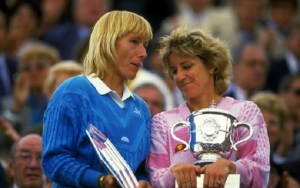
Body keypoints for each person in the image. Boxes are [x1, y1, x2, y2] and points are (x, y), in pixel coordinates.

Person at [146, 27, 270, 188]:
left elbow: (261, 171)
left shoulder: (246, 112)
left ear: (212, 65)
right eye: (174, 70)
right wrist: (173, 173)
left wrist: (232, 167)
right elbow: (154, 177)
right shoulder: (162, 122)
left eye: (187, 66)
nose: (180, 76)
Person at [42, 10, 153, 187]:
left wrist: (143, 182)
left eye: (145, 45)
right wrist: (100, 180)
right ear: (108, 41)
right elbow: (54, 160)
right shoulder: (72, 92)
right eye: (134, 41)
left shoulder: (141, 109)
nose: (143, 53)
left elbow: (140, 170)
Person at [251, 91, 300, 188]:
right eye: (260, 120)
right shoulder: (232, 161)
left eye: (272, 122)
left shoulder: (284, 176)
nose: (265, 127)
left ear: (281, 131)